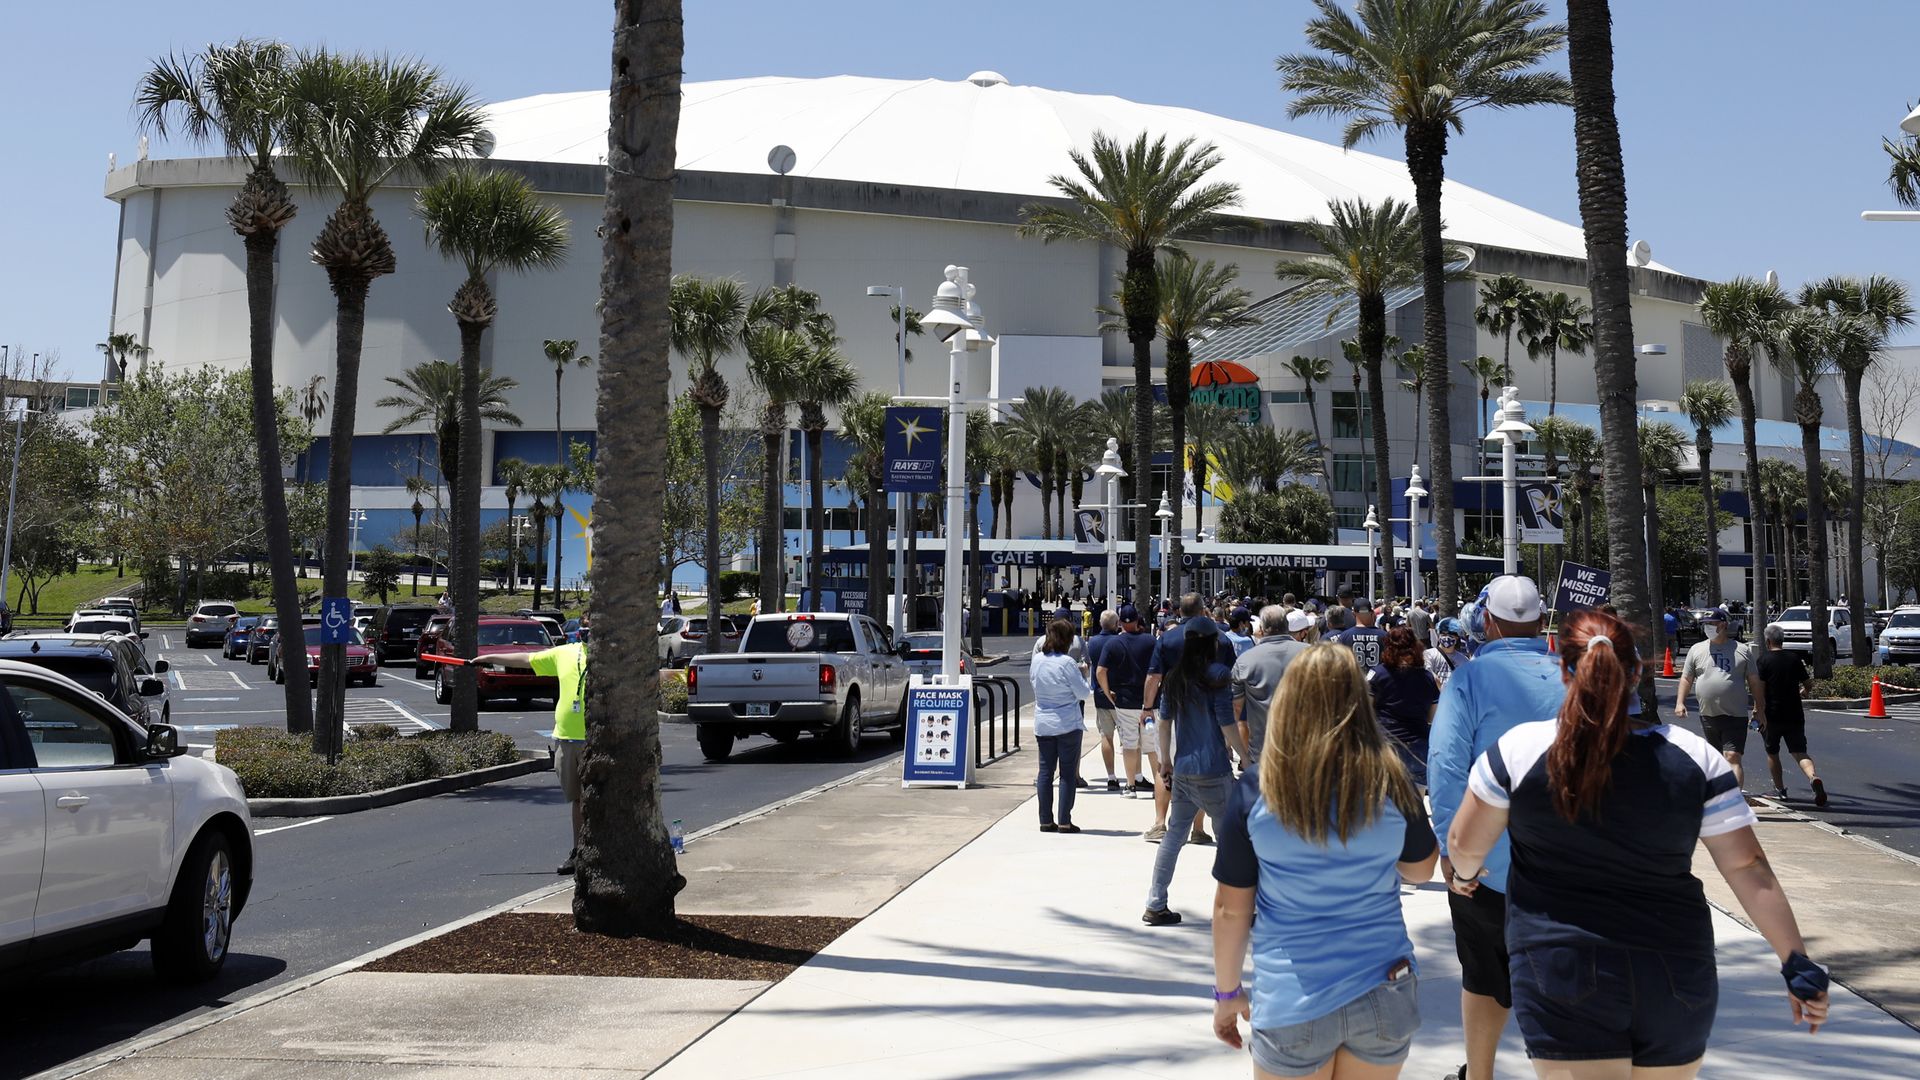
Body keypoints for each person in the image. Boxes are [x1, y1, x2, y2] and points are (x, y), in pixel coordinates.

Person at [1446, 610, 1829, 1078]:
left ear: (1564, 669)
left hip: (1562, 967)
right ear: (1636, 672)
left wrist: (1465, 877)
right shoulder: (1695, 757)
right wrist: (1795, 961)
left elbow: (1465, 844)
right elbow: (1748, 867)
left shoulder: (1517, 752)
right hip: (1675, 971)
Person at [1210, 643, 1438, 1079]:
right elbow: (1420, 869)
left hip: (1293, 997)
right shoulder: (1389, 777)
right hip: (1385, 986)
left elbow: (1231, 907)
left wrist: (1227, 993)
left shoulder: (1260, 787)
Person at [1426, 575, 1567, 1080]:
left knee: (1485, 976)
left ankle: (1479, 1075)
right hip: (1571, 867)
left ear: (1487, 620)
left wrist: (1452, 851)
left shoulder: (1467, 680)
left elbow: (1444, 770)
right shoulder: (1573, 676)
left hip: (1489, 867)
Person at [1142, 615, 1250, 926]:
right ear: (1211, 643)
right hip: (1214, 769)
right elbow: (1226, 723)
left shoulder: (1175, 677)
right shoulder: (1218, 675)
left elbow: (1164, 722)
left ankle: (1155, 902)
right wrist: (1245, 758)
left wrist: (1165, 761)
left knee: (1173, 837)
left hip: (1184, 770)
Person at [484, 627, 592, 875]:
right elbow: (526, 659)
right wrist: (489, 658)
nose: (589, 634)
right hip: (566, 739)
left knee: (592, 799)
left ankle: (598, 852)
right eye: (586, 628)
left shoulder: (611, 660)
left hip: (595, 740)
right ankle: (579, 853)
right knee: (577, 800)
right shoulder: (565, 653)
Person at [1145, 593, 1236, 845]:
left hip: (1171, 710)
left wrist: (1147, 707)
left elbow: (1154, 677)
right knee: (1204, 772)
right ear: (1201, 611)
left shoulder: (1166, 639)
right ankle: (1197, 828)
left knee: (1165, 767)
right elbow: (1231, 677)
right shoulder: (1221, 639)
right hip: (1209, 714)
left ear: (1179, 610)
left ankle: (1160, 822)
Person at [1673, 607, 1766, 792]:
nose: (1707, 628)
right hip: (1708, 713)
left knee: (1732, 756)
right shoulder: (1696, 649)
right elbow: (1686, 678)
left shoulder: (1742, 650)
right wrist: (1680, 702)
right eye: (1705, 624)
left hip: (1735, 714)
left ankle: (1735, 801)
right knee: (1716, 758)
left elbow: (1755, 682)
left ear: (1723, 625)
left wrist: (1759, 709)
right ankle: (1720, 798)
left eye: (1711, 624)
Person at [1030, 618, 1091, 833]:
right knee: (1067, 773)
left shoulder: (1037, 660)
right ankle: (1065, 820)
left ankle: (1045, 820)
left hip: (1043, 721)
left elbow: (1034, 682)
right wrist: (1084, 674)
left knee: (1045, 772)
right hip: (1067, 722)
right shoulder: (1067, 662)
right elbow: (1083, 692)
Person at [1756, 622, 1827, 805]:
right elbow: (1808, 684)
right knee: (1799, 752)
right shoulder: (1794, 659)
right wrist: (1802, 693)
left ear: (1768, 641)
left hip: (1772, 714)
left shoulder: (1763, 660)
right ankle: (1813, 777)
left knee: (1772, 752)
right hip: (1794, 713)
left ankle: (1780, 790)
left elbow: (1760, 690)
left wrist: (1758, 710)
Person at [1098, 605, 1161, 807]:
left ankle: (1131, 786)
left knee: (1129, 744)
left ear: (1120, 624)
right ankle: (1159, 784)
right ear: (1137, 621)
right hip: (1149, 703)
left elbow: (1100, 671)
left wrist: (1108, 694)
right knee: (1152, 745)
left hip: (1124, 703)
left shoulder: (1113, 643)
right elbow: (1162, 670)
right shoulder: (1151, 642)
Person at [1231, 606, 1313, 755]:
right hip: (1305, 749)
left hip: (1263, 750)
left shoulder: (1245, 660)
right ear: (1286, 626)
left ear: (1262, 628)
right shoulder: (1312, 654)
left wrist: (1239, 754)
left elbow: (1235, 709)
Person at [1370, 626, 1439, 789]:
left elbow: (1366, 710)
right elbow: (1433, 717)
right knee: (1417, 806)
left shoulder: (1377, 674)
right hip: (1419, 746)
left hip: (1386, 745)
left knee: (1385, 803)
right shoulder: (1428, 677)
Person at [1085, 610, 1125, 791]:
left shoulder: (1092, 642)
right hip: (1121, 694)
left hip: (1100, 694)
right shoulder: (1120, 641)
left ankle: (1111, 776)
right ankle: (1134, 775)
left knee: (1106, 736)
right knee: (1130, 739)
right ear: (1116, 623)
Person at [1335, 602, 1385, 672]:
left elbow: (1338, 663)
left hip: (1355, 680)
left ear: (1353, 614)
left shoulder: (1344, 636)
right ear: (1371, 613)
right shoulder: (1384, 635)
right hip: (1377, 680)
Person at [1424, 616, 1468, 690]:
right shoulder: (1428, 654)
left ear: (1457, 636)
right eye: (1443, 633)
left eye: (1451, 634)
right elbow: (1428, 675)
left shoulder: (1463, 660)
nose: (1447, 637)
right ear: (1438, 634)